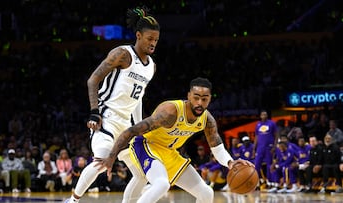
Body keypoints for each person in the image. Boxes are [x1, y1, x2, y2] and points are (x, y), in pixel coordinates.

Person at [94, 77, 253, 203]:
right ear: (189, 96)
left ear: (210, 99)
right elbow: (132, 131)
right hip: (146, 145)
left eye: (204, 99)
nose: (199, 103)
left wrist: (231, 163)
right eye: (196, 97)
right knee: (162, 184)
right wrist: (112, 156)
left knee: (206, 193)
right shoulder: (170, 111)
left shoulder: (207, 119)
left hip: (169, 152)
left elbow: (217, 148)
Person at [65, 6, 160, 203]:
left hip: (126, 125)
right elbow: (93, 80)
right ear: (138, 35)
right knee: (101, 160)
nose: (153, 43)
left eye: (156, 40)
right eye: (150, 38)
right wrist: (94, 112)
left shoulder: (151, 66)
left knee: (142, 174)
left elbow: (138, 98)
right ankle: (73, 201)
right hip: (107, 118)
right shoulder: (122, 54)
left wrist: (139, 126)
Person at [253, 110, 278, 189]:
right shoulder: (258, 124)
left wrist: (274, 146)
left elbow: (276, 135)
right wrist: (254, 148)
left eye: (265, 114)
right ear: (260, 116)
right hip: (260, 147)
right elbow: (256, 137)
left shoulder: (272, 123)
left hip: (269, 147)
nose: (264, 116)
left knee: (269, 164)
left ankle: (269, 182)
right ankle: (257, 182)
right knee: (256, 165)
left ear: (267, 115)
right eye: (262, 114)